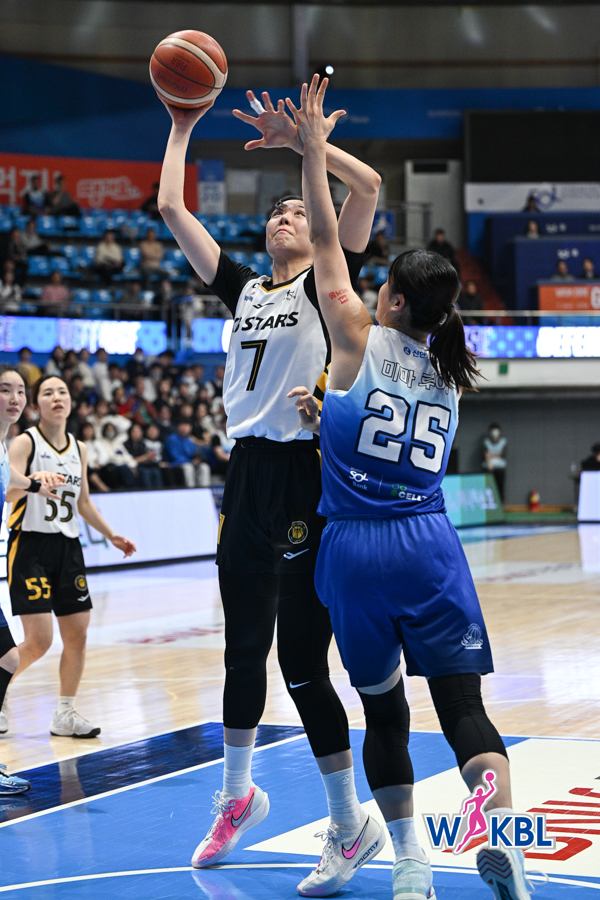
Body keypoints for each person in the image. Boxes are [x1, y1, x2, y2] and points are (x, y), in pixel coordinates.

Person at [288, 76, 526, 900]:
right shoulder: (454, 371)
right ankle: (502, 840)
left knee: (384, 716)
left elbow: (326, 238)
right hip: (429, 542)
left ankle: (411, 864)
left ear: (388, 298)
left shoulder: (357, 335)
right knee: (465, 711)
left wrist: (312, 150)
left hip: (355, 551)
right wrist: (328, 414)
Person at [157, 81, 383, 889]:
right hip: (245, 473)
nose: (284, 218)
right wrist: (182, 122)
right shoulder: (247, 287)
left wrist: (310, 148)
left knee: (301, 660)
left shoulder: (328, 278)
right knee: (242, 649)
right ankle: (236, 795)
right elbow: (171, 209)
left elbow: (368, 188)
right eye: (276, 213)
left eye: (295, 210)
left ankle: (350, 822)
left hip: (303, 472)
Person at [5, 375, 136, 737]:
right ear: (36, 405)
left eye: (62, 391)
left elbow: (84, 502)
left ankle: (65, 713)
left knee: (77, 635)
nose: (57, 397)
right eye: (47, 393)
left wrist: (111, 535)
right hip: (29, 545)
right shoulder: (25, 441)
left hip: (68, 547)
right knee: (39, 640)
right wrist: (33, 482)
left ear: (71, 401)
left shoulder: (79, 447)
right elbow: (6, 492)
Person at [0, 364, 66, 787]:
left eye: (20, 391)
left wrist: (36, 485)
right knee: (8, 658)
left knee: (8, 659)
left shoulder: (3, 445)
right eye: (5, 390)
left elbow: (9, 479)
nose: (14, 398)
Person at [163, 419, 211, 487]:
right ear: (178, 427)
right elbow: (175, 457)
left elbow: (194, 453)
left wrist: (198, 459)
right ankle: (190, 489)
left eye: (187, 426)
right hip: (174, 464)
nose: (185, 428)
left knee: (204, 467)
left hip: (190, 463)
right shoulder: (171, 439)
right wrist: (191, 461)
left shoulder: (189, 440)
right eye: (183, 426)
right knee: (188, 467)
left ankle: (205, 489)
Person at [124, 422, 162, 488]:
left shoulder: (142, 444)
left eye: (138, 431)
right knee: (145, 472)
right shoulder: (126, 445)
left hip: (144, 465)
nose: (137, 434)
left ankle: (159, 491)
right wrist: (145, 457)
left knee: (156, 471)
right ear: (130, 433)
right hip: (133, 467)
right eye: (134, 432)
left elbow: (146, 459)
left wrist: (148, 458)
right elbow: (131, 460)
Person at [483, 424, 507, 502]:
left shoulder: (503, 441)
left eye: (496, 431)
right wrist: (489, 462)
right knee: (489, 488)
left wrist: (491, 454)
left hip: (500, 469)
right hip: (489, 469)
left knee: (500, 487)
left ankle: (500, 504)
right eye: (493, 431)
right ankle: (489, 504)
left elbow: (503, 454)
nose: (494, 433)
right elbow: (486, 454)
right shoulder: (486, 442)